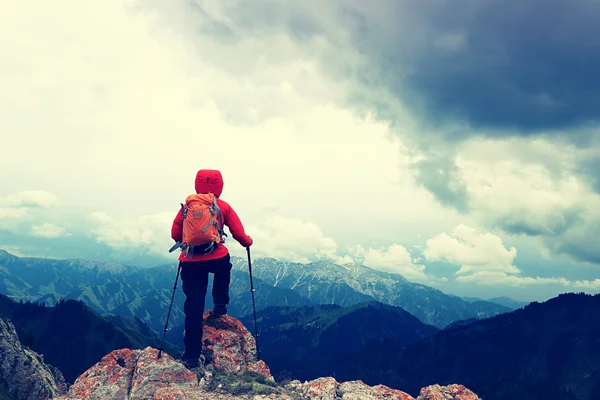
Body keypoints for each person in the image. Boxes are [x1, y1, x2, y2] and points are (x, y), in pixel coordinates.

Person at [170, 169, 253, 368]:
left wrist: (190, 240)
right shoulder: (223, 207)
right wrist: (247, 242)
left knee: (193, 308)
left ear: (196, 184)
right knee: (224, 267)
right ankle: (220, 305)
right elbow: (238, 233)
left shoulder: (188, 207)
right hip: (215, 256)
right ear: (220, 186)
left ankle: (191, 356)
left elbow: (175, 234)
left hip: (190, 260)